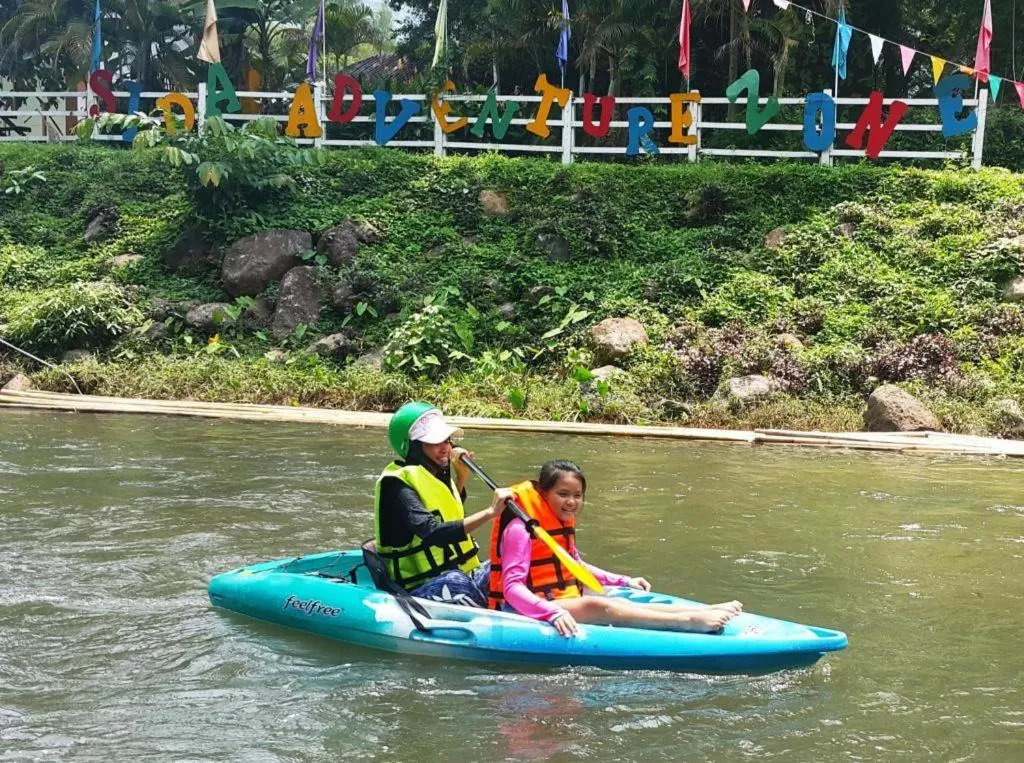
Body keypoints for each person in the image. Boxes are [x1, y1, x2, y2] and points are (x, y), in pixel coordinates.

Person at [488, 460, 744, 637]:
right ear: (544, 494)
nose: (572, 502)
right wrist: (551, 612)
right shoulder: (520, 529)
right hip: (526, 607)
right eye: (563, 494)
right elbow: (512, 588)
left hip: (558, 598)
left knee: (618, 601)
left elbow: (574, 564)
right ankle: (688, 622)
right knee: (599, 606)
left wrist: (623, 580)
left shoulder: (558, 523)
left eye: (577, 495)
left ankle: (700, 610)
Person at [375, 401, 509, 607]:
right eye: (436, 442)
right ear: (414, 447)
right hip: (417, 586)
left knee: (506, 564)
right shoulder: (397, 485)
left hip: (456, 572)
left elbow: (447, 513)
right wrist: (491, 512)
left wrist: (461, 477)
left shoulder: (434, 474)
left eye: (447, 441)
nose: (446, 448)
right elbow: (432, 531)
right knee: (457, 584)